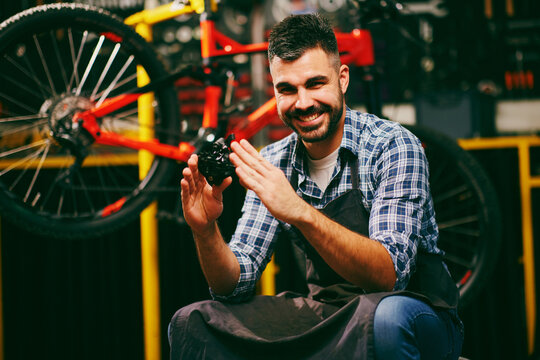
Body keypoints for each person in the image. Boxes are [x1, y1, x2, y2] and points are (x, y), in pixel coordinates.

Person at [169, 13, 463, 360]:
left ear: (342, 79)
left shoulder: (393, 145)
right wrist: (205, 231)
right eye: (287, 90)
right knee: (193, 321)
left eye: (315, 84)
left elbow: (389, 277)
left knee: (384, 318)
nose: (303, 102)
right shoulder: (275, 160)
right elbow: (235, 285)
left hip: (416, 313)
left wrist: (298, 210)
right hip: (332, 316)